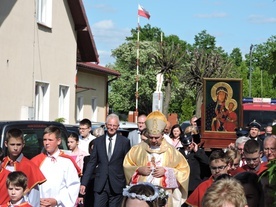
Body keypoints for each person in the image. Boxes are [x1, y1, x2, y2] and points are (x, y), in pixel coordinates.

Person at [123, 111, 190, 207]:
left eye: (156, 138)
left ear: (162, 134)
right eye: (151, 137)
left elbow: (184, 171)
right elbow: (127, 164)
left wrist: (166, 171)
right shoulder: (137, 149)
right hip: (142, 196)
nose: (153, 140)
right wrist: (138, 169)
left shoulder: (172, 151)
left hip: (163, 196)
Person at [80, 114, 131, 207]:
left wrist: (129, 182)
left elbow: (127, 163)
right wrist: (84, 183)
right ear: (106, 125)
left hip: (117, 183)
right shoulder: (98, 141)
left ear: (118, 126)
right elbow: (92, 163)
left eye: (114, 125)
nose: (112, 128)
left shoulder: (124, 142)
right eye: (110, 125)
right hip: (101, 184)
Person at [31, 125, 81, 207]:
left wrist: (57, 200)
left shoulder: (66, 162)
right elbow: (30, 185)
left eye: (50, 140)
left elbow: (73, 186)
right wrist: (36, 199)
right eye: (45, 140)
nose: (47, 143)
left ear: (58, 141)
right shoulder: (37, 161)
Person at [2, 128, 46, 207]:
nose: (15, 148)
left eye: (18, 144)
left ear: (23, 144)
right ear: (6, 144)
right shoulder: (2, 164)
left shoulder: (30, 166)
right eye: (12, 144)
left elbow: (34, 199)